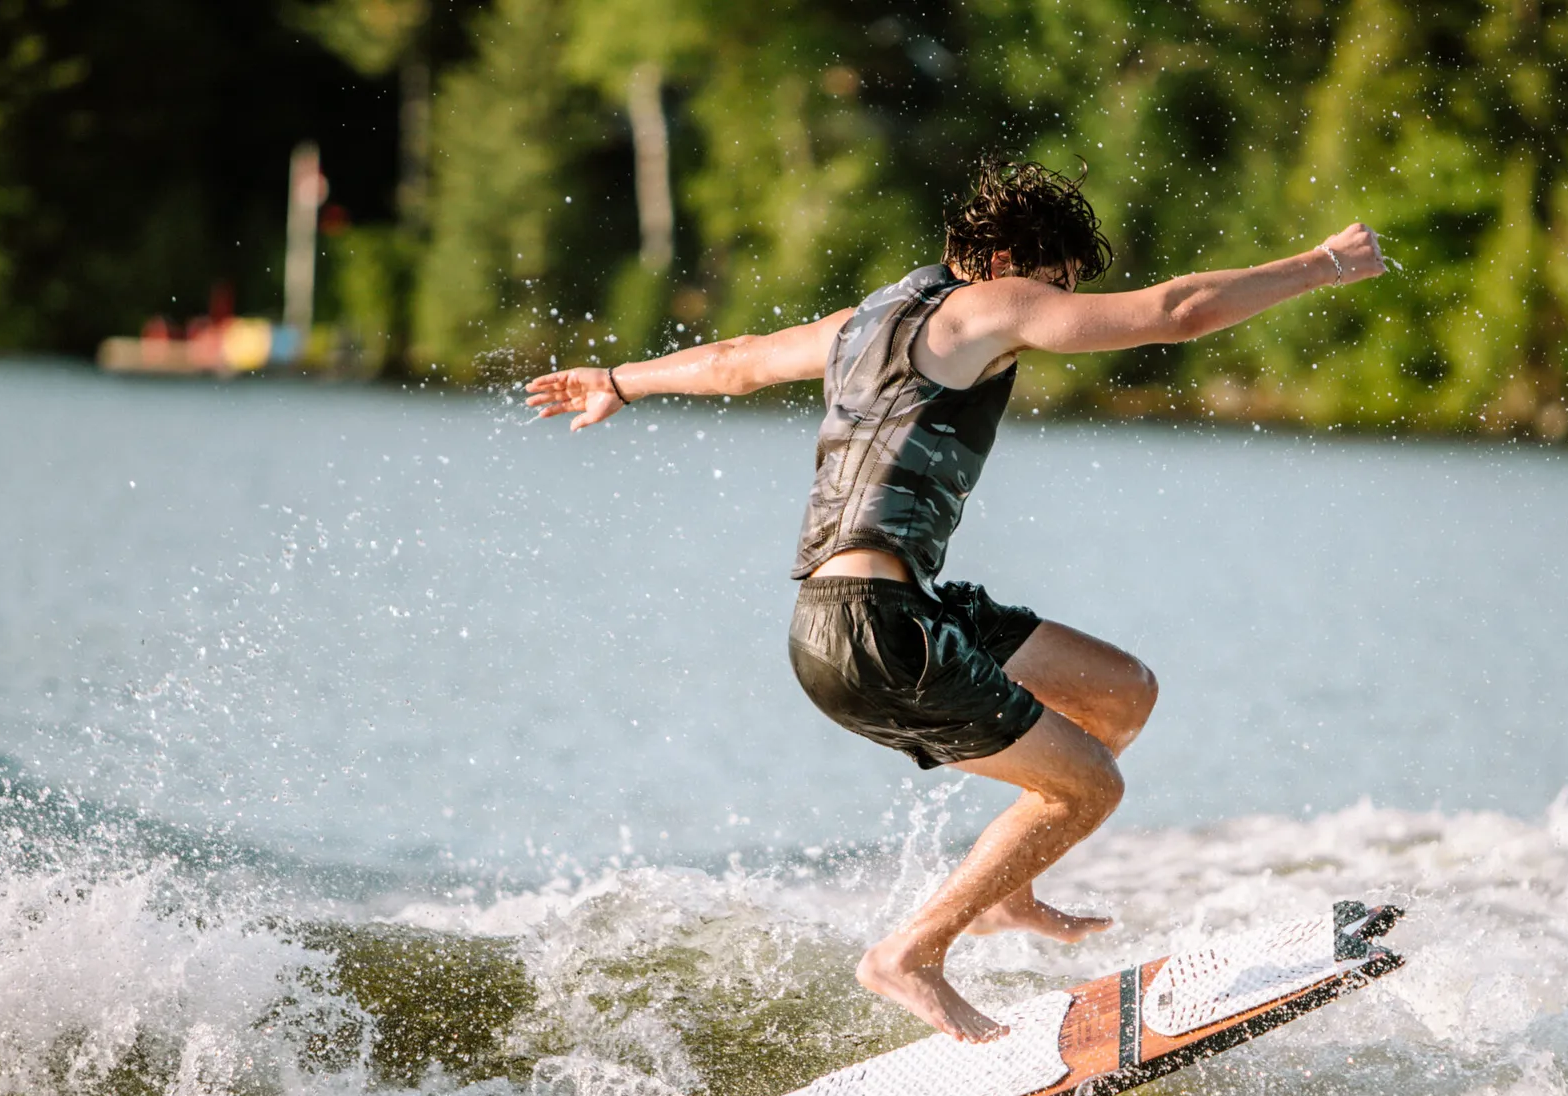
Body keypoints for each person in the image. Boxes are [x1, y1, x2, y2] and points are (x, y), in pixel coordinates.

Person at [526, 158, 1384, 1043]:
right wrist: (1323, 263)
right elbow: (1176, 312)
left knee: (1120, 691)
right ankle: (911, 954)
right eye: (1055, 286)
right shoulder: (990, 306)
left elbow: (739, 364)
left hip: (878, 613)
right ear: (1014, 261)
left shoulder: (871, 316)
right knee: (1089, 790)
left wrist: (620, 380)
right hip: (874, 631)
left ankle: (1007, 893)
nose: (1054, 309)